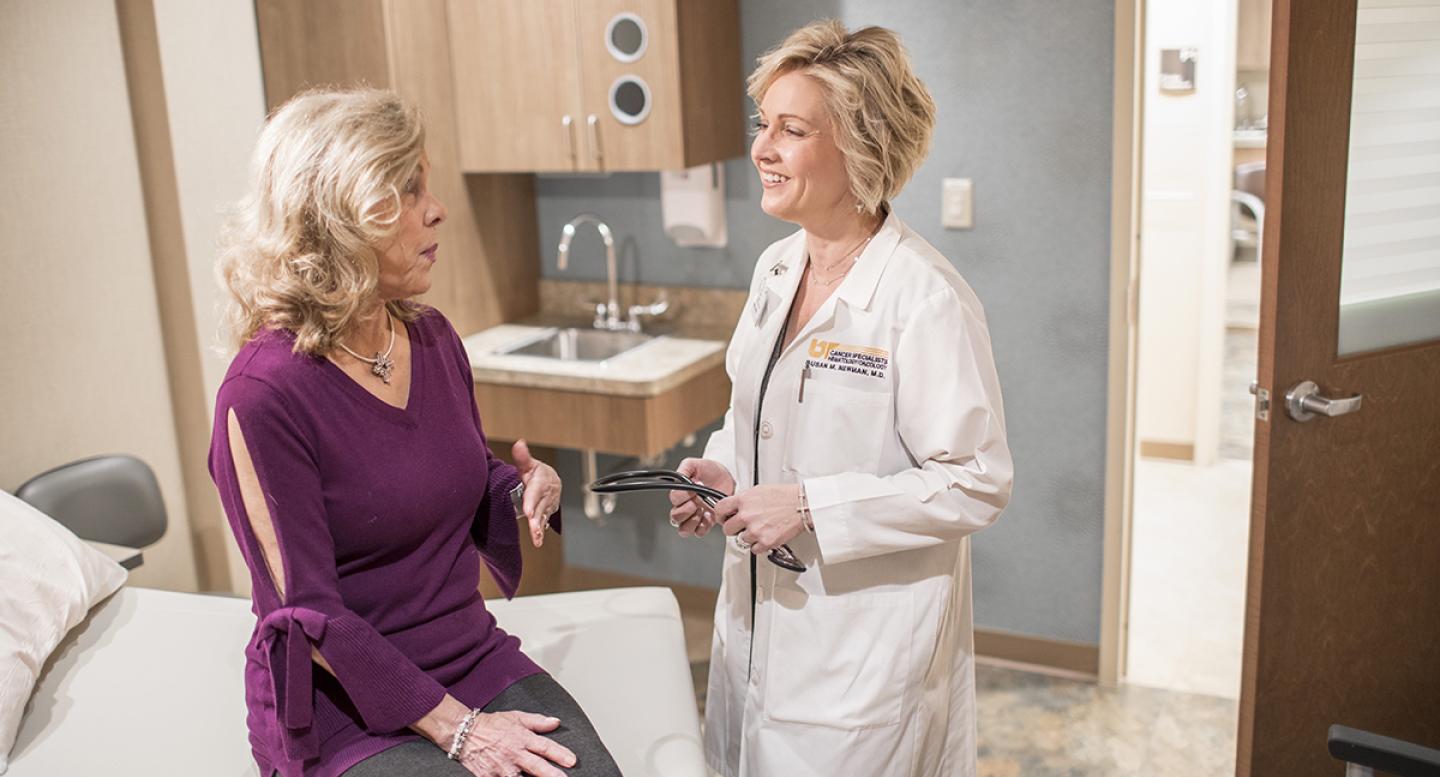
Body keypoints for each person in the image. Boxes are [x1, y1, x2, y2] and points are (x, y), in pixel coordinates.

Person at [208, 88, 620, 777]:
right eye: (405, 189)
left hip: (467, 653)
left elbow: (449, 472)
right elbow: (308, 616)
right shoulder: (262, 395)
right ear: (340, 215)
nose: (437, 208)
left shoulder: (428, 337)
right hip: (345, 700)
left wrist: (516, 489)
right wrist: (463, 732)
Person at [667, 20, 1014, 777]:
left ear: (862, 146)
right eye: (766, 124)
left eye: (791, 130)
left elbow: (975, 479)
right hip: (757, 630)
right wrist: (725, 470)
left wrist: (814, 506)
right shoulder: (775, 270)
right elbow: (751, 413)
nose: (762, 148)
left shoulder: (924, 299)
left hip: (861, 663)